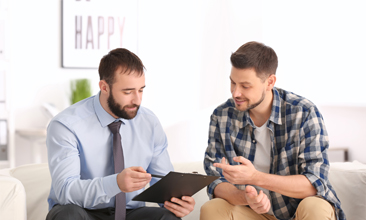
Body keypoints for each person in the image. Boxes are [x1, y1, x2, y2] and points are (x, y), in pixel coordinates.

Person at [200, 41, 345, 220]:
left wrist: (255, 177)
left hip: (299, 212)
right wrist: (246, 198)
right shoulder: (222, 116)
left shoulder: (303, 112)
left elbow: (314, 183)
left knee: (314, 206)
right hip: (254, 213)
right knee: (213, 208)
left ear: (270, 82)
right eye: (232, 83)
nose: (235, 93)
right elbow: (215, 181)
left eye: (245, 86)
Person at [46, 48, 195, 220]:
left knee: (168, 218)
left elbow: (164, 183)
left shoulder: (149, 122)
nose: (137, 100)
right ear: (104, 87)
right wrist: (115, 183)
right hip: (83, 211)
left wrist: (177, 201)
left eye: (141, 90)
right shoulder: (66, 125)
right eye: (128, 92)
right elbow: (66, 191)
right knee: (67, 216)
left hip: (131, 212)